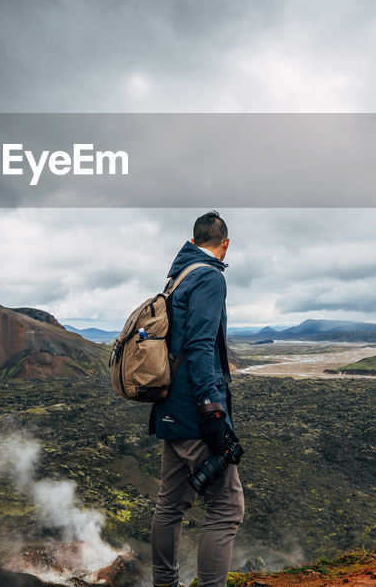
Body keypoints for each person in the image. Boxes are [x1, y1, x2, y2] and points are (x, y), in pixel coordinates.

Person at [150, 210, 244, 587]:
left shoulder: (177, 277)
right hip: (194, 410)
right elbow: (202, 345)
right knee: (226, 508)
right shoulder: (209, 277)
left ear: (192, 241)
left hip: (171, 408)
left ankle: (165, 583)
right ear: (225, 245)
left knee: (170, 504)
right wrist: (213, 410)